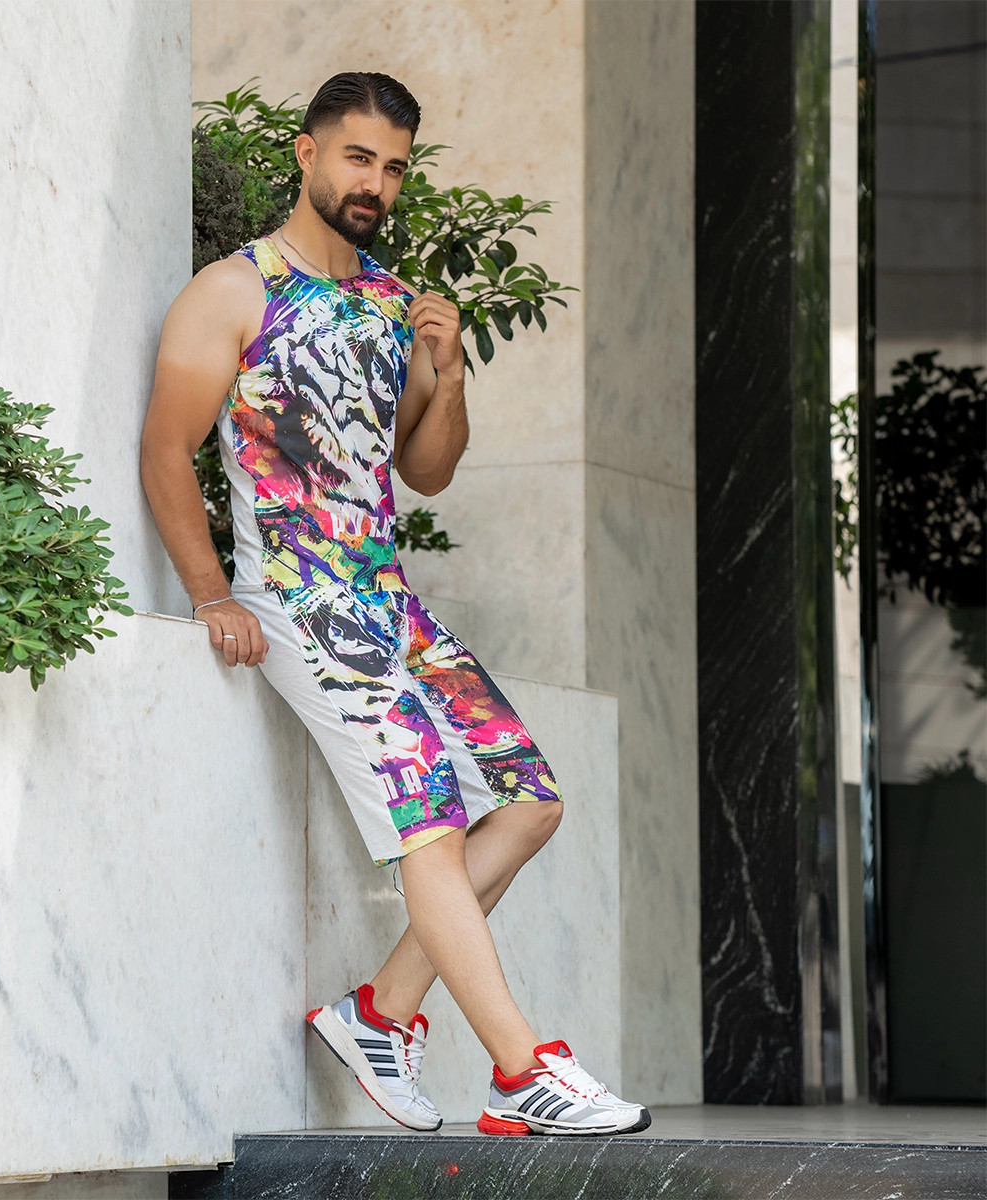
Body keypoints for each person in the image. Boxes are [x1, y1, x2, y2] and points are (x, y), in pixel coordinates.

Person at [141, 71, 649, 1137]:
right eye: (358, 157)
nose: (375, 182)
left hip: (390, 599)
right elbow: (164, 450)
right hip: (298, 597)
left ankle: (380, 1015)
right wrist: (211, 594)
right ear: (307, 153)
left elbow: (425, 469)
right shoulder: (233, 292)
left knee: (530, 798)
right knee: (427, 816)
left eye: (394, 166)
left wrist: (448, 375)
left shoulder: (391, 303)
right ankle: (520, 1069)